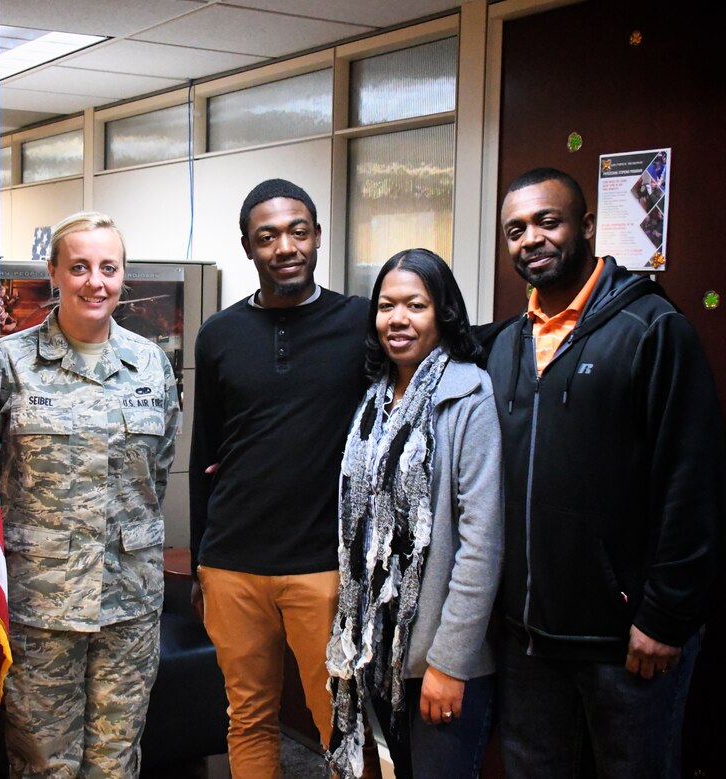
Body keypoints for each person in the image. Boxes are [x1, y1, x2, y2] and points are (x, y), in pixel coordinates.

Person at [488, 168, 723, 778]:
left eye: (548, 221)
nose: (531, 239)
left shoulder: (652, 330)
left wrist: (665, 617)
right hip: (528, 636)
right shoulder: (507, 344)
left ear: (587, 227)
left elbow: (692, 484)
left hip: (627, 641)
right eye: (516, 230)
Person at [189, 178, 381, 778]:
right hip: (233, 563)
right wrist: (201, 558)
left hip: (323, 565)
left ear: (318, 236)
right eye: (267, 236)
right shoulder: (218, 334)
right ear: (248, 247)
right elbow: (205, 454)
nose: (286, 246)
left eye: (298, 231)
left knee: (341, 722)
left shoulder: (362, 323)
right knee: (247, 716)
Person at [0, 211, 181, 777]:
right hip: (42, 604)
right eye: (79, 267)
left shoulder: (151, 365)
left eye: (108, 268)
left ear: (123, 276)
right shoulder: (8, 365)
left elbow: (157, 473)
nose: (95, 282)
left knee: (117, 761)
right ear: (54, 272)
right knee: (44, 764)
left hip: (129, 602)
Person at [327, 249, 503, 778]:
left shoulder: (468, 395)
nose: (397, 319)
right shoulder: (374, 398)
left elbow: (482, 542)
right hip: (376, 652)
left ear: (442, 313)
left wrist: (449, 663)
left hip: (438, 657)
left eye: (415, 305)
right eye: (386, 306)